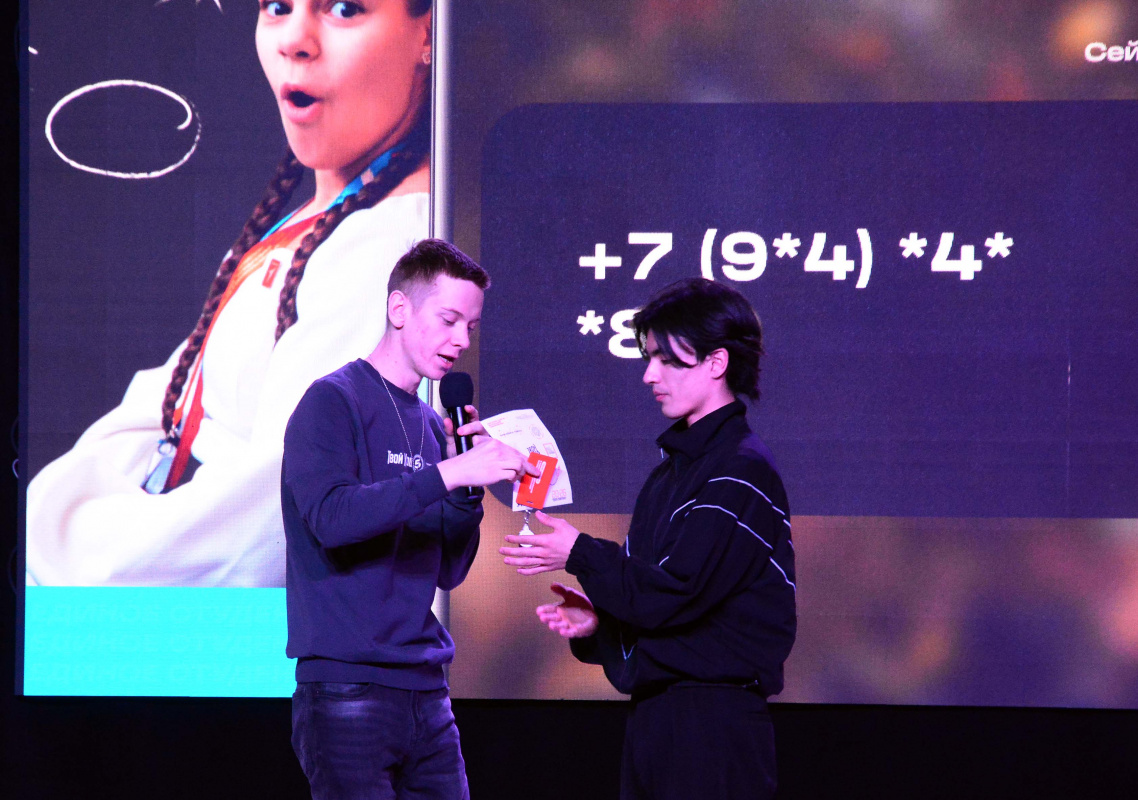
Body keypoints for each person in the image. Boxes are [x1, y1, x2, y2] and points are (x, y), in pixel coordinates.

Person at [27, 0, 435, 586]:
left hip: (238, 623)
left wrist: (60, 534)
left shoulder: (394, 245)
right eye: (277, 7)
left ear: (428, 33)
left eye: (344, 9)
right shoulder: (315, 222)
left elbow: (277, 514)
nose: (295, 39)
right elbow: (166, 407)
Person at [500, 278, 797, 800]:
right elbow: (662, 597)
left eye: (666, 359)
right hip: (658, 720)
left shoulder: (740, 469)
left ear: (716, 362)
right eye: (649, 357)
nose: (649, 374)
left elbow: (677, 592)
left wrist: (579, 552)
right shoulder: (671, 474)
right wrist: (602, 625)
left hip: (713, 730)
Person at [283, 239, 536, 799]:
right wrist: (446, 475)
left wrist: (466, 494)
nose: (461, 340)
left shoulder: (430, 423)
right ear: (399, 309)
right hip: (347, 686)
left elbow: (446, 569)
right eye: (449, 320)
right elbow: (331, 519)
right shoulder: (332, 402)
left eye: (471, 326)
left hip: (426, 689)